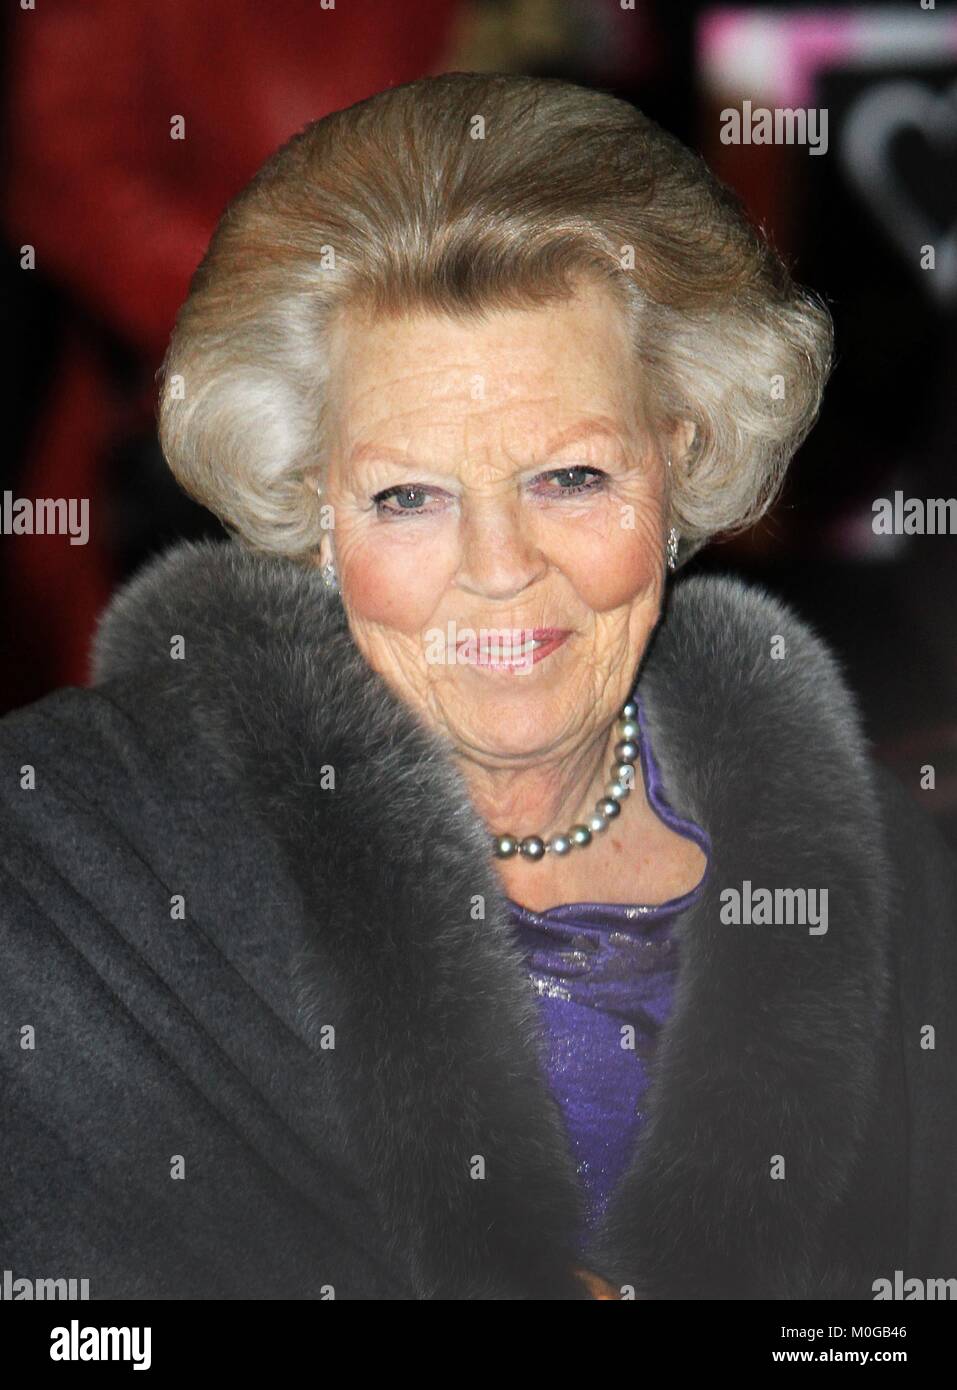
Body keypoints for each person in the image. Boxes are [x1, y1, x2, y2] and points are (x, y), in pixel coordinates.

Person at [1, 72, 955, 1301]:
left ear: (685, 454)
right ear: (312, 510)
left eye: (570, 477)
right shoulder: (64, 875)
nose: (502, 572)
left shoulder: (892, 892)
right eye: (408, 496)